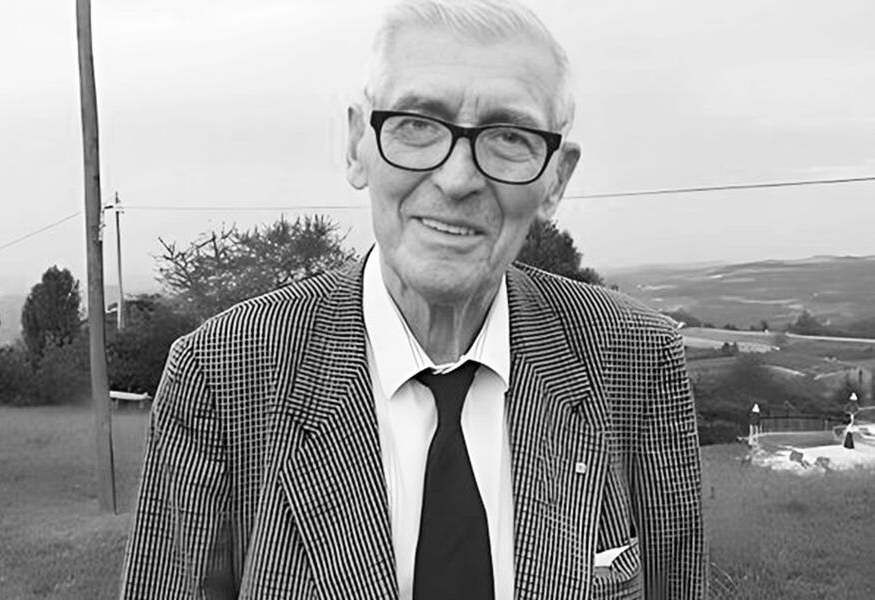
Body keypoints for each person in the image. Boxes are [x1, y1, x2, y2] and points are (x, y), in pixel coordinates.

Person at [120, 0, 706, 598]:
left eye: (509, 136)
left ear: (555, 179)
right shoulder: (220, 374)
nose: (457, 180)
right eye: (418, 125)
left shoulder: (637, 359)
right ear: (357, 145)